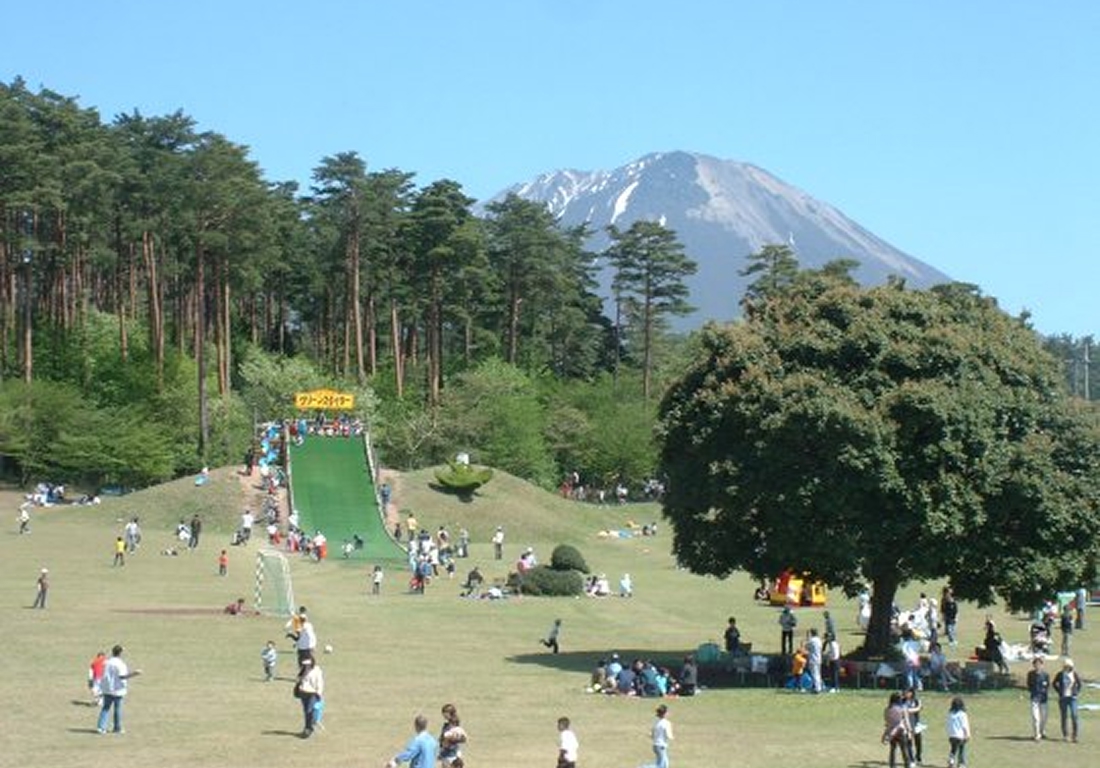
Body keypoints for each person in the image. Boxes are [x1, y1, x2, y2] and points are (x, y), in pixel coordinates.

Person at [97, 645, 141, 734]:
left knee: (105, 708)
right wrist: (135, 674)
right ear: (120, 653)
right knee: (117, 709)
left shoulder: (106, 662)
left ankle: (101, 727)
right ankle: (117, 728)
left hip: (107, 689)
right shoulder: (120, 664)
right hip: (118, 690)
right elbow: (122, 676)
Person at [1052, 658, 1081, 742]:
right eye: (1066, 666)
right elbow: (1054, 683)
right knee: (1064, 716)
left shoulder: (1074, 674)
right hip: (1063, 698)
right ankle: (1066, 735)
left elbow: (1079, 684)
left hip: (1072, 698)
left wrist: (1076, 692)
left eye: (1069, 666)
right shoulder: (1060, 674)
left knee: (1074, 715)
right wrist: (1059, 691)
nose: (1067, 667)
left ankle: (1074, 736)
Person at [881, 691, 913, 768]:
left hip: (891, 731)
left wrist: (886, 733)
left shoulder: (887, 709)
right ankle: (907, 766)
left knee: (893, 750)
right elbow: (906, 721)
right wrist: (910, 731)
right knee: (904, 750)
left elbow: (887, 721)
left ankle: (892, 766)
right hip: (901, 730)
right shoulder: (902, 708)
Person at [294, 657, 324, 738]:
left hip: (312, 693)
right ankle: (307, 727)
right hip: (303, 693)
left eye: (308, 664)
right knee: (306, 711)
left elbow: (319, 682)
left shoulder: (317, 671)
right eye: (305, 664)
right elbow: (299, 680)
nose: (306, 666)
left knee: (309, 710)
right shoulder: (303, 670)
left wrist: (319, 693)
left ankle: (309, 728)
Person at [1026, 656, 1050, 741]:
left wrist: (1044, 692)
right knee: (1036, 717)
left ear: (1042, 665)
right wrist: (1033, 692)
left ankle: (1042, 731)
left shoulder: (1045, 675)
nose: (1038, 666)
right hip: (1034, 698)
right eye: (1036, 664)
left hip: (1044, 699)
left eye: (1039, 664)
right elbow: (1029, 685)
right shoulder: (1031, 674)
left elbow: (1047, 686)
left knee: (1044, 717)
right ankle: (1037, 734)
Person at [645, 704, 674, 768]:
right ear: (665, 713)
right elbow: (669, 735)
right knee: (660, 766)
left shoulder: (656, 722)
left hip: (656, 745)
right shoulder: (666, 723)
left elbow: (652, 735)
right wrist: (672, 737)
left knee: (665, 764)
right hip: (661, 746)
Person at [438, 703, 467, 767]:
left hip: (450, 754)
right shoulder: (450, 724)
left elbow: (463, 738)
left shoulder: (452, 725)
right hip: (452, 753)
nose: (443, 714)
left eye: (444, 712)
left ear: (449, 713)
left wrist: (449, 740)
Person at [945, 696, 970, 768]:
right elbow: (964, 725)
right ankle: (961, 764)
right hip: (960, 735)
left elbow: (948, 724)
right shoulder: (962, 714)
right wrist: (967, 734)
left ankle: (951, 760)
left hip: (952, 735)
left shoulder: (950, 714)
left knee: (953, 749)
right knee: (961, 749)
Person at [902, 686, 925, 764]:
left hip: (916, 723)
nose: (905, 694)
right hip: (907, 724)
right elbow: (904, 711)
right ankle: (911, 759)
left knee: (918, 742)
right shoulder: (902, 701)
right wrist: (916, 709)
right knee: (909, 742)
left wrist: (918, 708)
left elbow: (920, 708)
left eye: (907, 692)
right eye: (904, 692)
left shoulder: (916, 701)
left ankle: (918, 757)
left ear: (911, 693)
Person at [806, 627, 824, 693]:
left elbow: (806, 647)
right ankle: (818, 687)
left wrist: (807, 638)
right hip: (819, 658)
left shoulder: (812, 640)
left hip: (813, 659)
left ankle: (817, 688)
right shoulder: (819, 640)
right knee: (818, 673)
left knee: (814, 674)